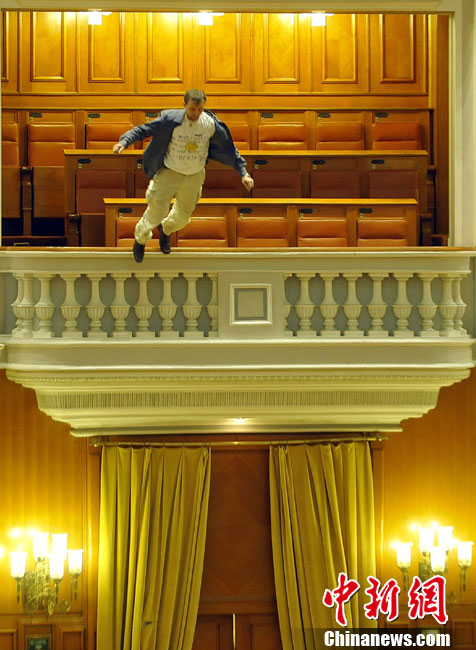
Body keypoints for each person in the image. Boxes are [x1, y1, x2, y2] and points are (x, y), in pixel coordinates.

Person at [113, 89, 254, 262]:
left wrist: (243, 173)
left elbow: (230, 150)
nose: (196, 113)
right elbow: (143, 130)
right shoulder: (170, 120)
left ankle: (165, 230)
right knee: (156, 213)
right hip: (169, 172)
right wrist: (124, 142)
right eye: (192, 109)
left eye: (200, 109)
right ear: (184, 105)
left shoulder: (210, 125)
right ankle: (140, 239)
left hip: (194, 175)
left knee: (182, 217)